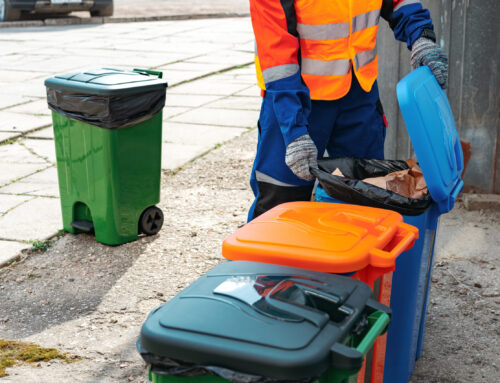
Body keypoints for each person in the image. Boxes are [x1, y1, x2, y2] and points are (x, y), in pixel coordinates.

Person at [247, 0, 448, 221]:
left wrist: (420, 36)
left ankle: (355, 255)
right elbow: (276, 51)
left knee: (368, 200)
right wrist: (293, 128)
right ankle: (266, 256)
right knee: (281, 203)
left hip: (358, 95)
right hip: (294, 99)